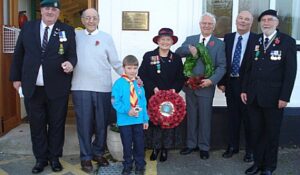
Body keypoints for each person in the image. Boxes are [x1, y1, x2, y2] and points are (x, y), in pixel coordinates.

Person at [9, 0, 77, 173]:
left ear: (58, 12)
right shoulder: (28, 28)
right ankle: (40, 159)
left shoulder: (67, 30)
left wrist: (70, 64)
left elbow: (72, 55)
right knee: (37, 125)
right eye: (47, 8)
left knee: (56, 124)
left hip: (57, 87)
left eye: (54, 9)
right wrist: (16, 78)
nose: (50, 11)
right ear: (41, 10)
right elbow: (19, 54)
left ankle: (54, 158)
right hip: (32, 87)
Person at [241, 9, 297, 175]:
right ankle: (257, 163)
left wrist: (284, 96)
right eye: (263, 20)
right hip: (254, 96)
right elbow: (247, 68)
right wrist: (244, 89)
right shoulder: (256, 40)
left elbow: (290, 72)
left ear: (277, 23)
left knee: (272, 133)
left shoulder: (287, 42)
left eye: (270, 20)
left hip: (274, 98)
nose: (266, 23)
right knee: (256, 131)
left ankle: (269, 166)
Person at [71, 8, 123, 173]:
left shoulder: (106, 38)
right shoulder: (75, 36)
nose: (91, 20)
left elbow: (115, 62)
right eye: (87, 18)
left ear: (98, 19)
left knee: (101, 123)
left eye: (94, 17)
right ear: (82, 20)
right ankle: (85, 157)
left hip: (102, 87)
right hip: (80, 87)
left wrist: (130, 77)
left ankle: (98, 153)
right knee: (84, 125)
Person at [176, 12, 226, 159]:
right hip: (190, 85)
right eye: (204, 23)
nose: (206, 26)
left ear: (214, 26)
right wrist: (188, 49)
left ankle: (204, 146)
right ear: (200, 24)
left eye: (210, 23)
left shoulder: (219, 44)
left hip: (206, 86)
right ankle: (191, 144)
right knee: (191, 116)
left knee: (205, 117)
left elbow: (222, 66)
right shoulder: (191, 39)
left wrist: (212, 81)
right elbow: (178, 52)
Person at [138, 28, 185, 162]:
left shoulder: (175, 58)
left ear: (172, 42)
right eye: (162, 39)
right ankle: (155, 147)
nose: (165, 42)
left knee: (168, 122)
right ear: (158, 41)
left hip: (170, 98)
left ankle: (165, 149)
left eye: (168, 40)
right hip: (153, 96)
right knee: (154, 122)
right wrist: (153, 88)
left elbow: (180, 78)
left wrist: (174, 90)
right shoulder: (149, 56)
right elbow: (142, 74)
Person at [217, 11, 256, 162]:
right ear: (236, 20)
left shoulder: (256, 39)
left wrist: (249, 87)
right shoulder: (228, 37)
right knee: (232, 118)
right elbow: (223, 61)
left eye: (247, 19)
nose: (243, 21)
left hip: (247, 85)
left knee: (249, 119)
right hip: (231, 84)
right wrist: (221, 82)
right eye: (241, 18)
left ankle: (250, 151)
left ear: (251, 23)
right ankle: (232, 146)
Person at [112, 55, 149, 175]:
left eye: (134, 68)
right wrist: (127, 110)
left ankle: (139, 165)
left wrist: (145, 119)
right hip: (125, 121)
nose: (132, 71)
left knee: (139, 144)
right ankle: (127, 165)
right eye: (129, 68)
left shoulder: (139, 84)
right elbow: (115, 102)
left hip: (138, 121)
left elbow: (143, 102)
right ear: (123, 68)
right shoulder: (118, 84)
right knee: (127, 144)